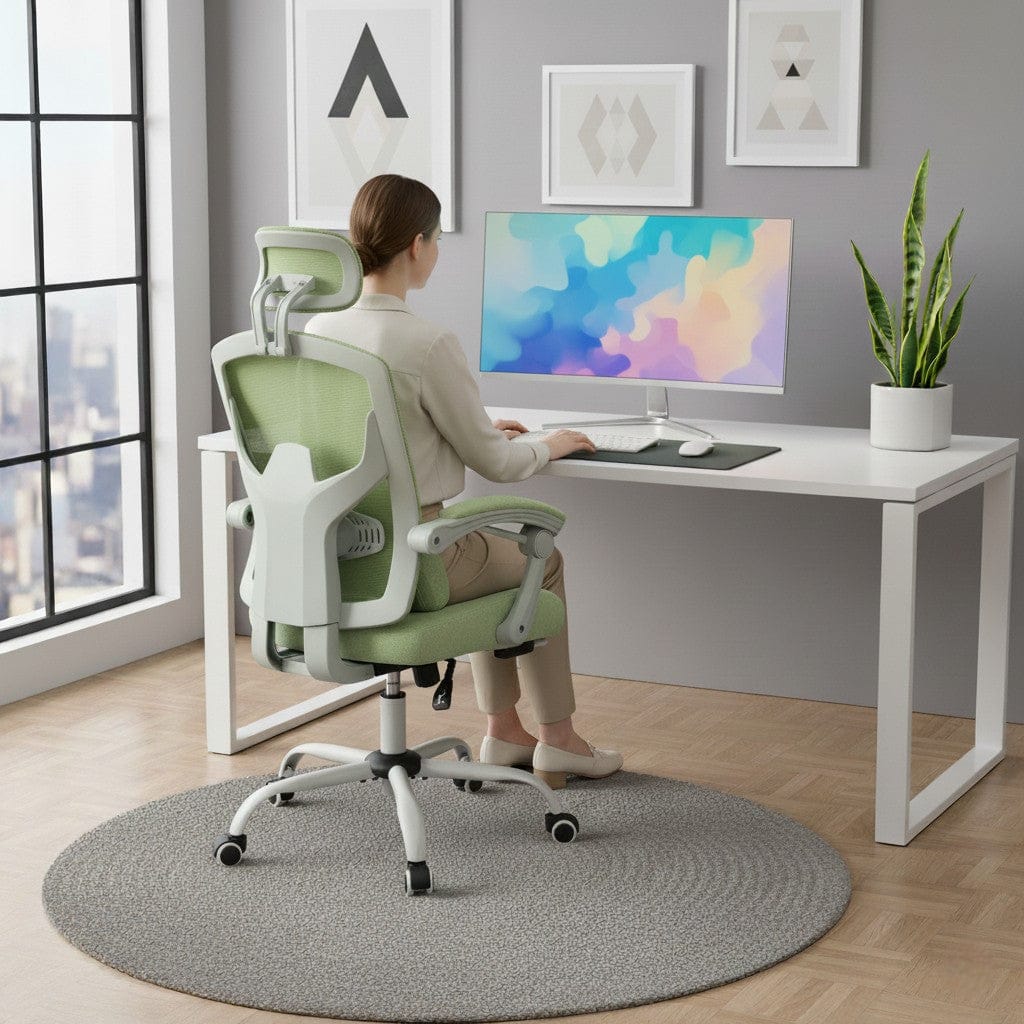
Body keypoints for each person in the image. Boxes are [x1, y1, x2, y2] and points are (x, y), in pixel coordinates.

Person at [306, 174, 621, 788]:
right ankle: (558, 740)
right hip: (416, 557)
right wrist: (545, 444)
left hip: (333, 556)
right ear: (418, 246)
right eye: (436, 240)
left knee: (482, 558)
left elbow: (375, 432)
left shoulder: (318, 333)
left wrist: (473, 427)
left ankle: (504, 733)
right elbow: (497, 468)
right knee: (541, 559)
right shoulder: (425, 342)